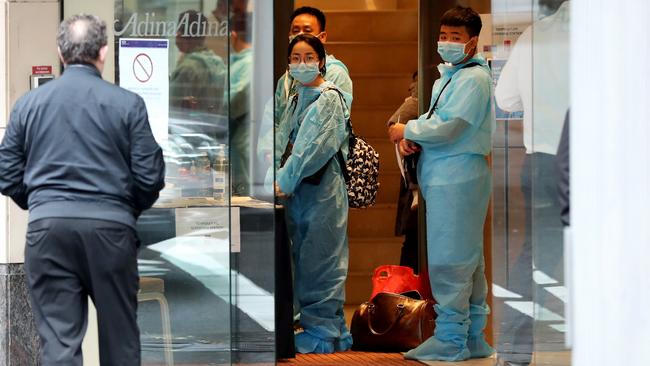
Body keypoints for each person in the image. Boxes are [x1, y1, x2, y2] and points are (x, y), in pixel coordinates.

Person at [0, 14, 165, 365]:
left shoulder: (28, 105)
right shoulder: (127, 104)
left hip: (48, 233)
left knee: (59, 345)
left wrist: (43, 205)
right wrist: (122, 209)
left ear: (61, 53)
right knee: (120, 341)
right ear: (104, 52)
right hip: (111, 233)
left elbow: (7, 172)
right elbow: (151, 177)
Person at [388, 6, 495, 361]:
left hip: (458, 177)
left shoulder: (474, 79)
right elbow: (441, 123)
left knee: (451, 260)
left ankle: (451, 338)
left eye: (456, 37)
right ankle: (473, 337)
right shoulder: (448, 77)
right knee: (469, 259)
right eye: (444, 36)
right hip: (448, 176)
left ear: (473, 42)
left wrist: (408, 129)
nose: (447, 43)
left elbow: (452, 127)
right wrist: (414, 140)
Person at [275, 34, 352, 354]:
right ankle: (323, 328)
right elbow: (281, 140)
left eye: (309, 57)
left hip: (322, 189)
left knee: (322, 260)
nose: (301, 64)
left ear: (322, 61)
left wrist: (284, 181)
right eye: (295, 58)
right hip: (298, 191)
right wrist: (273, 179)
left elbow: (311, 148)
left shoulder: (329, 97)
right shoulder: (296, 96)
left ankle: (324, 332)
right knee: (304, 259)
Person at [275, 6, 353, 123]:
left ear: (322, 37)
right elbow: (275, 119)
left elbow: (332, 126)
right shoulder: (286, 78)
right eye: (295, 31)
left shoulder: (336, 74)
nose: (300, 36)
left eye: (307, 31)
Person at [387, 71, 420, 270]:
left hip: (428, 181)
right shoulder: (426, 79)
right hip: (417, 182)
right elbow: (394, 124)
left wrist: (408, 131)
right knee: (413, 249)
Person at [170, 10, 227, 114]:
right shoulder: (218, 63)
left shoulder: (188, 68)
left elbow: (171, 108)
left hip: (188, 129)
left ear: (179, 34)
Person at [228, 11, 253, 195]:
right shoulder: (238, 61)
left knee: (244, 192)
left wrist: (211, 102)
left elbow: (238, 96)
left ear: (233, 35)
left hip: (243, 132)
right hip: (237, 133)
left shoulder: (249, 61)